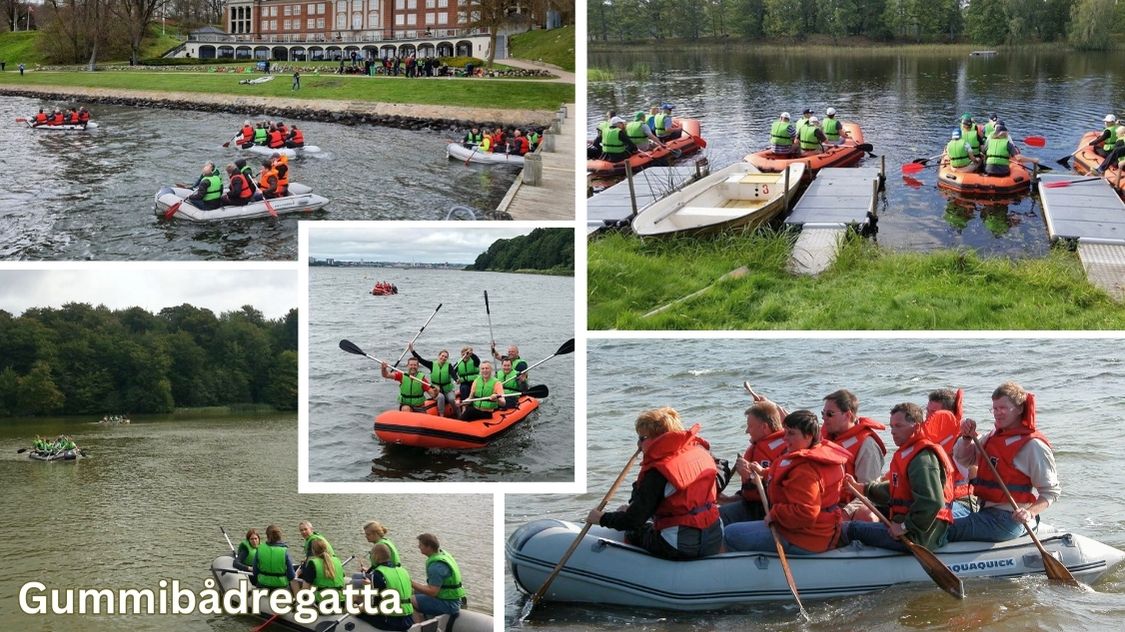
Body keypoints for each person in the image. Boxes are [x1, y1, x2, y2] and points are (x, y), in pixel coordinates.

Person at [587, 407, 723, 560]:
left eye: (642, 438)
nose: (638, 444)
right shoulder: (700, 452)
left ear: (657, 438)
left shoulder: (658, 472)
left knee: (634, 531)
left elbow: (633, 521)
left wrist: (601, 518)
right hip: (714, 538)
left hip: (679, 546)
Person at [723, 410, 848, 554]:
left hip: (805, 537)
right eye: (785, 432)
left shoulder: (805, 471)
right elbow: (788, 478)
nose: (785, 438)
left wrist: (774, 514)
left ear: (808, 436)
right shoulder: (811, 458)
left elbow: (806, 512)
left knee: (731, 534)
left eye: (791, 434)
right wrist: (763, 473)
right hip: (815, 531)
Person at [948, 382, 1059, 543]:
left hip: (1007, 520)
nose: (997, 413)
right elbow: (964, 459)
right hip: (985, 512)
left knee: (940, 528)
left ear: (1020, 409)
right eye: (994, 408)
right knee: (939, 513)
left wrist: (1030, 512)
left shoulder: (1033, 445)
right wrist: (966, 437)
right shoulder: (993, 436)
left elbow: (1051, 492)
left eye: (1003, 408)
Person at [840, 402, 957, 552]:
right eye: (892, 426)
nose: (893, 431)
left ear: (916, 426)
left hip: (921, 535)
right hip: (909, 524)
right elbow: (896, 489)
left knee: (852, 529)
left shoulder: (922, 459)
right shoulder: (909, 453)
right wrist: (862, 488)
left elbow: (932, 502)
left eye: (898, 426)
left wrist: (904, 527)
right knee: (861, 512)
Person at [719, 400, 787, 525]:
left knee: (717, 519)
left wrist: (750, 477)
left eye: (750, 426)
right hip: (754, 504)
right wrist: (728, 499)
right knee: (714, 512)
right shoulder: (758, 447)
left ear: (764, 427)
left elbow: (781, 492)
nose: (746, 431)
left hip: (768, 512)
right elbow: (751, 494)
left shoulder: (784, 450)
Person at [821, 389, 886, 507]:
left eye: (830, 414)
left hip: (845, 508)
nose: (824, 418)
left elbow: (868, 494)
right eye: (823, 413)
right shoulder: (824, 438)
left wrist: (846, 513)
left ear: (847, 415)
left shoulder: (867, 446)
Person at [356, 543, 414, 630]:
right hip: (409, 619)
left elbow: (372, 605)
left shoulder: (378, 573)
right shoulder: (403, 571)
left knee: (355, 610)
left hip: (391, 621)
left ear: (375, 557)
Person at [410, 533, 465, 623]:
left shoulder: (436, 566)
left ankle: (419, 627)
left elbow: (433, 592)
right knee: (410, 591)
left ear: (429, 547)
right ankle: (425, 617)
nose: (418, 547)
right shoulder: (442, 554)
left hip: (448, 604)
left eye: (421, 545)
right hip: (451, 598)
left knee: (407, 600)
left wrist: (411, 582)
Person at [409, 344, 458, 418]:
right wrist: (412, 351)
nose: (443, 358)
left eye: (445, 357)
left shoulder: (449, 366)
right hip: (436, 390)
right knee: (441, 397)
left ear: (447, 359)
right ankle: (441, 415)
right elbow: (421, 360)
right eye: (442, 356)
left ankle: (457, 412)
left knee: (451, 399)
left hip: (447, 390)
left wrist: (457, 379)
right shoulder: (432, 364)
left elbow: (453, 374)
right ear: (439, 356)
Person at [297, 538, 345, 602]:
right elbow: (343, 576)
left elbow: (305, 588)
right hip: (341, 599)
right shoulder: (337, 560)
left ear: (313, 551)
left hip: (322, 601)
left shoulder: (313, 563)